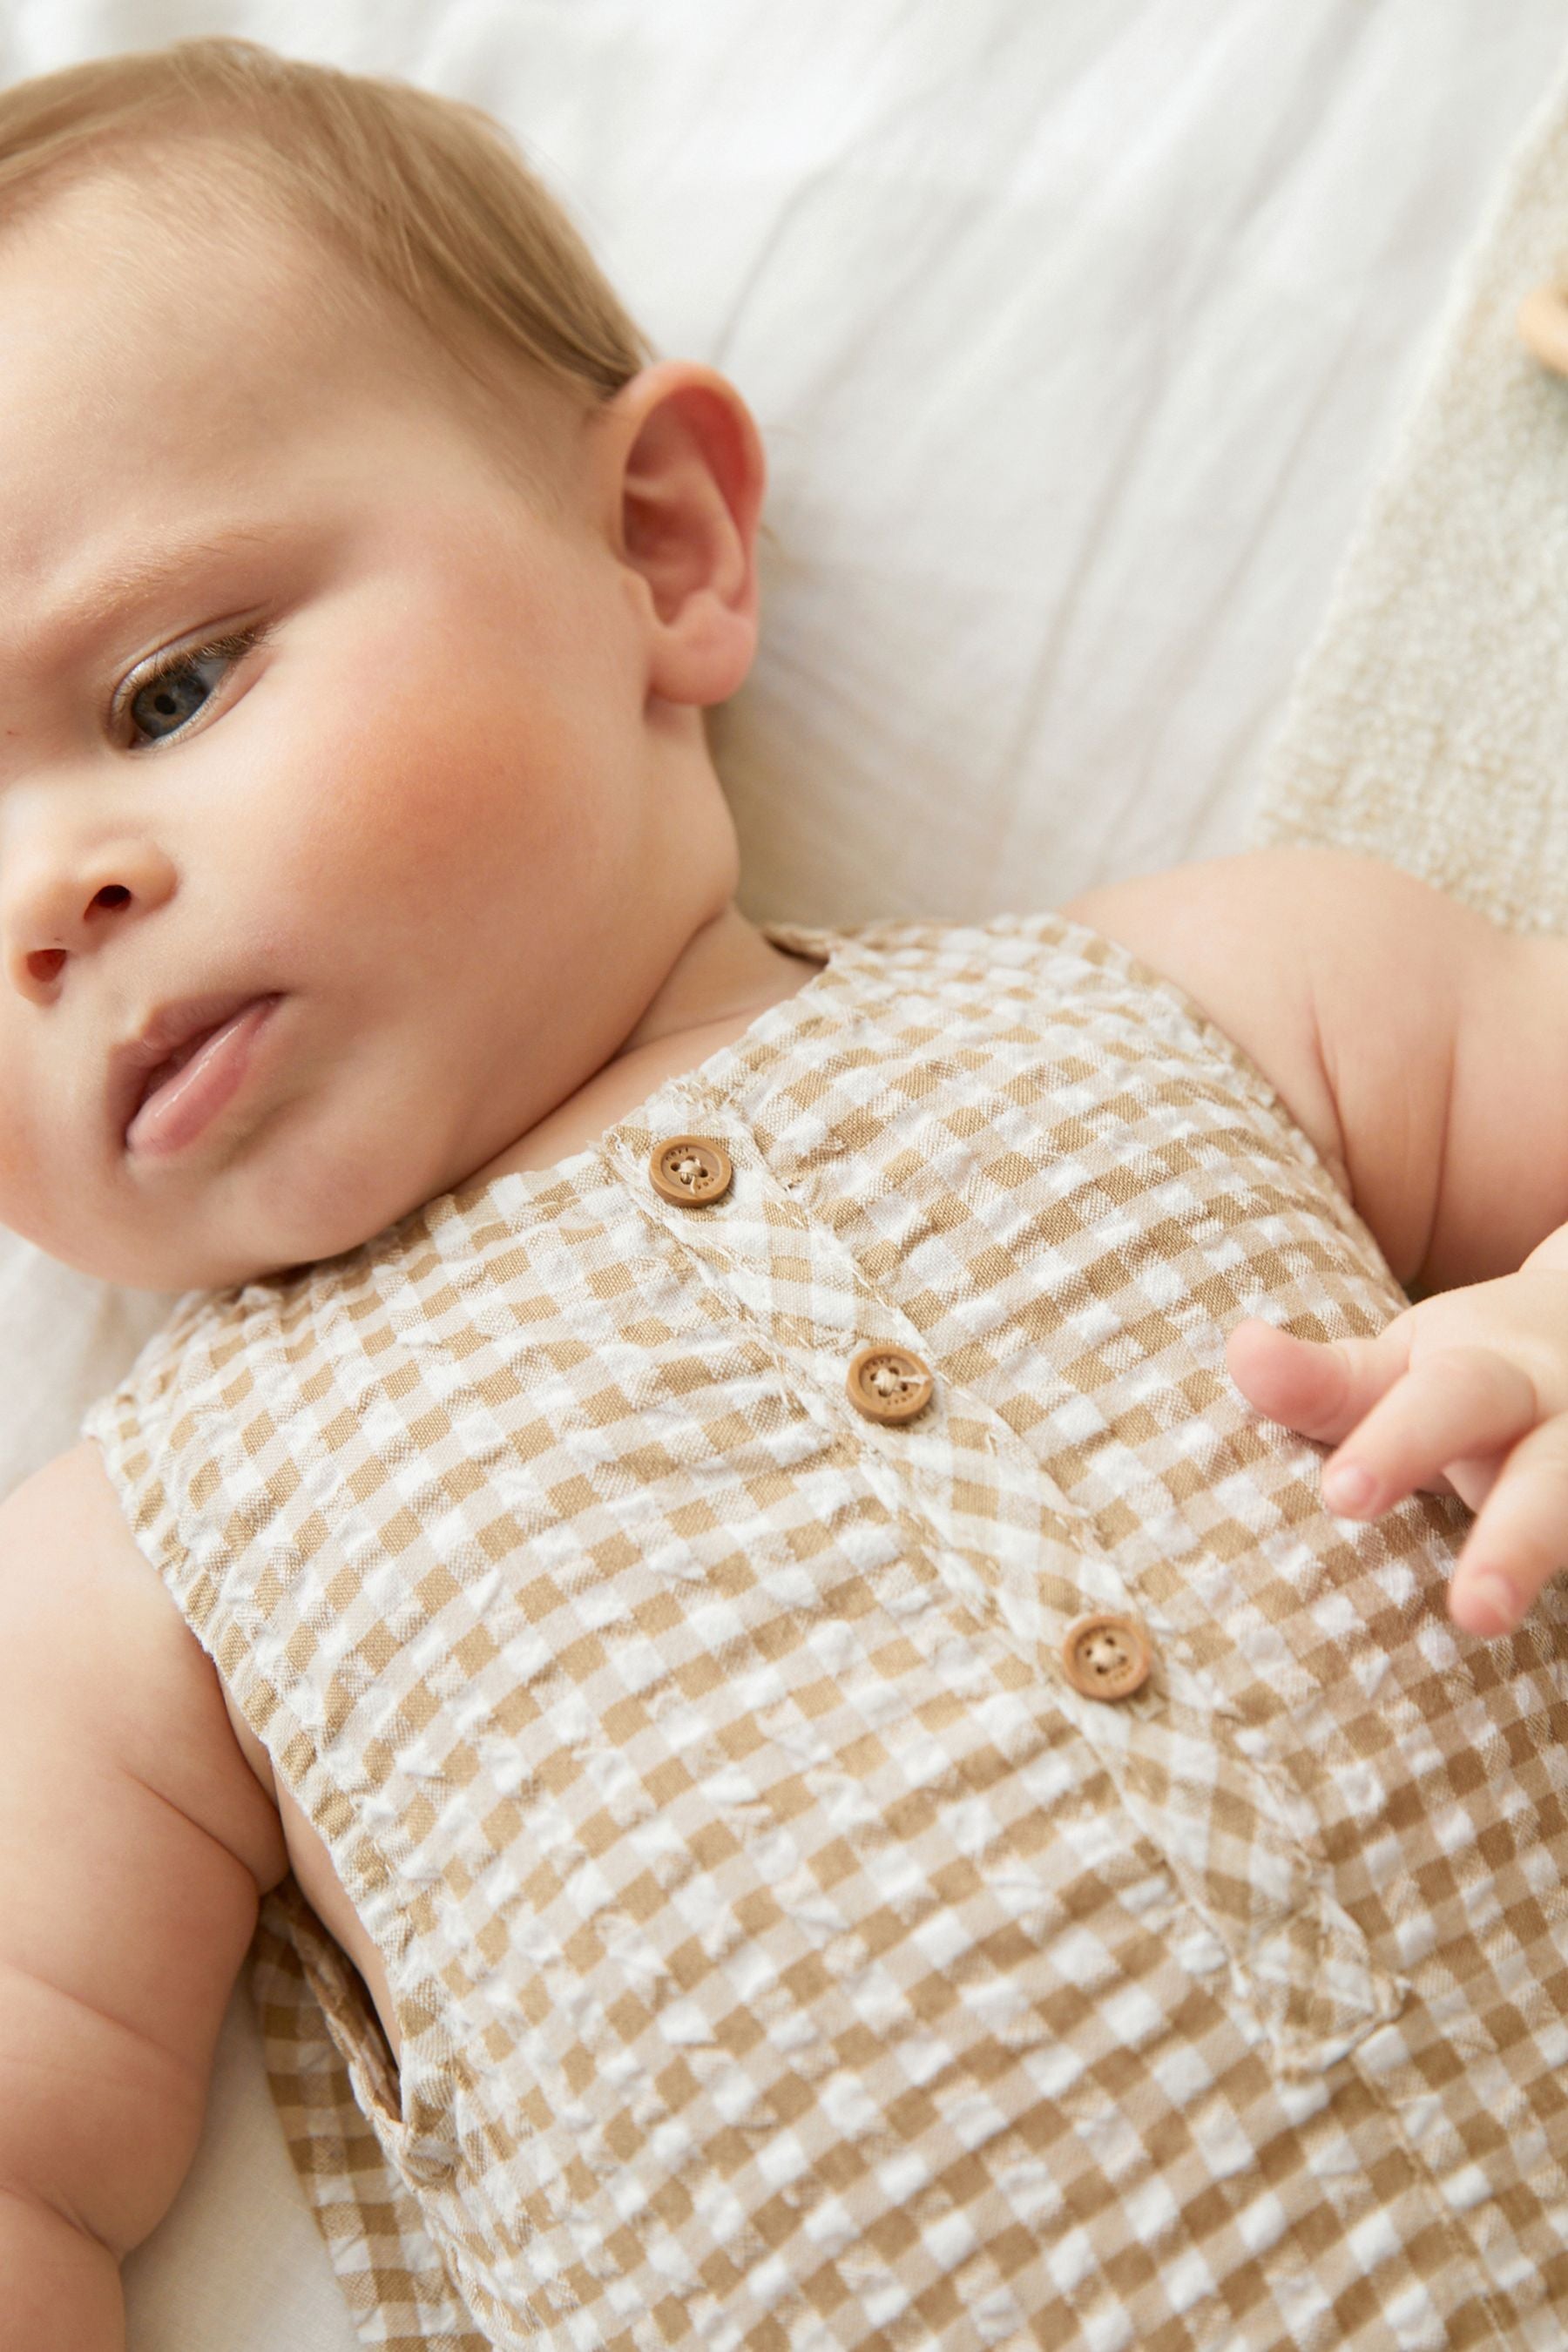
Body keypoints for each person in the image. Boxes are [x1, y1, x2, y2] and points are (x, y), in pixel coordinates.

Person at [1, 35, 1565, 2352]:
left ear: (659, 549)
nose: (53, 894)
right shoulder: (134, 1571)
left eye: (167, 687)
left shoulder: (1233, 981)